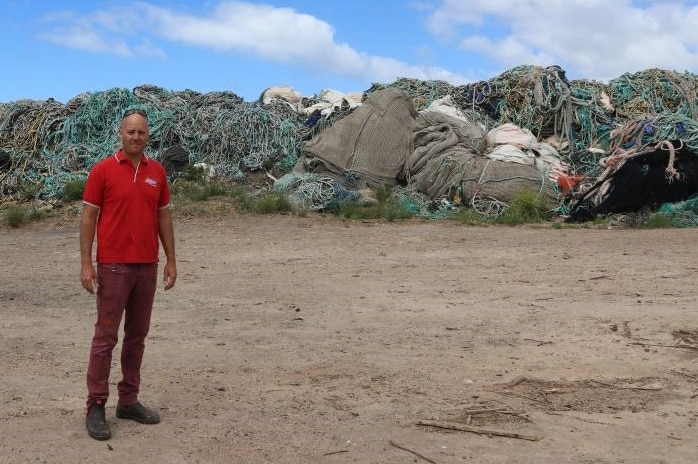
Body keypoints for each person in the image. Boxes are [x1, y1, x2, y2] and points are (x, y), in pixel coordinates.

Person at [79, 108, 177, 441]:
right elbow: (88, 219)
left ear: (148, 136)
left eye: (142, 133)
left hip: (146, 267)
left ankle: (129, 400)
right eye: (130, 132)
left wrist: (171, 259)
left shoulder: (157, 173)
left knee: (137, 337)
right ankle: (95, 405)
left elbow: (163, 218)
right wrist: (86, 263)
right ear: (120, 133)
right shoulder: (102, 171)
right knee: (105, 338)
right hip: (113, 266)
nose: (136, 137)